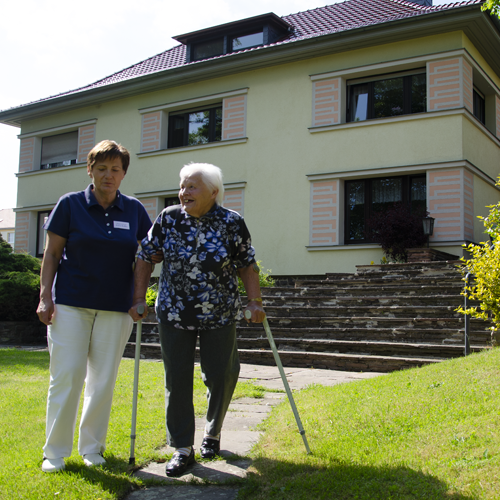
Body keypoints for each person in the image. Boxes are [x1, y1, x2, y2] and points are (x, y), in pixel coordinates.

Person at [129, 162, 265, 477]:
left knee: (222, 373)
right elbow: (144, 256)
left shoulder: (232, 222)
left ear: (213, 192)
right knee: (176, 378)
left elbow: (247, 264)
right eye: (182, 186)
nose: (183, 192)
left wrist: (254, 302)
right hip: (174, 312)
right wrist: (139, 299)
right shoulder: (168, 219)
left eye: (192, 186)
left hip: (219, 312)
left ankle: (212, 431)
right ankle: (181, 448)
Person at [36, 140, 154, 473]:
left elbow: (147, 256)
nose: (108, 175)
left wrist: (138, 296)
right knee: (67, 376)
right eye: (101, 168)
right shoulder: (70, 205)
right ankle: (55, 452)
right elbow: (52, 255)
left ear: (123, 173)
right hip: (71, 304)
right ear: (90, 170)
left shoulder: (133, 210)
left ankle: (92, 447)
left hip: (117, 308)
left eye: (115, 169)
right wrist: (45, 295)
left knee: (102, 381)